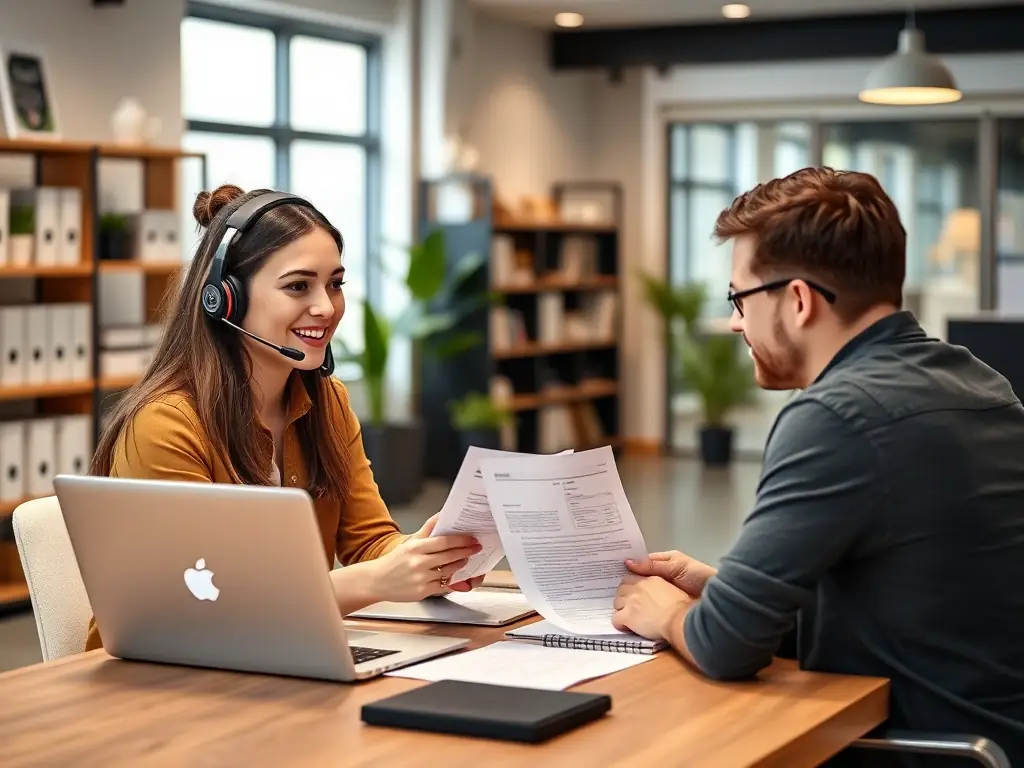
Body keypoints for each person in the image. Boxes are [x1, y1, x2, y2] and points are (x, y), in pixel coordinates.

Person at [612, 167, 1024, 764]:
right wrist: (725, 590)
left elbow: (723, 648)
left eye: (739, 298)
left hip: (916, 749)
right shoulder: (979, 381)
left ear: (799, 300)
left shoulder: (837, 414)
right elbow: (914, 602)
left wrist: (670, 612)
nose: (734, 321)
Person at [83, 184, 482, 652]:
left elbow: (368, 542)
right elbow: (198, 604)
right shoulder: (165, 425)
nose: (326, 307)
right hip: (158, 677)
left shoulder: (326, 401)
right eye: (298, 286)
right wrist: (377, 581)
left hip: (276, 653)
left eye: (335, 283)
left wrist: (422, 559)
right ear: (225, 299)